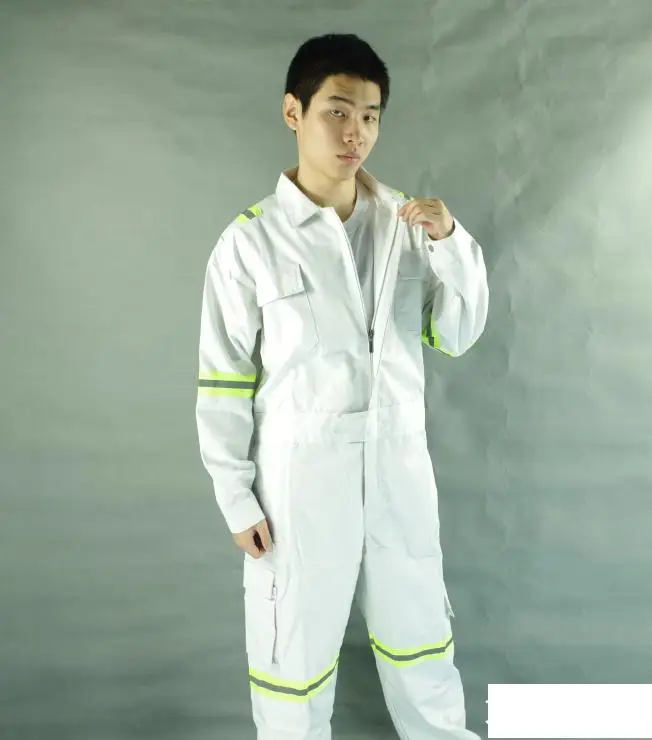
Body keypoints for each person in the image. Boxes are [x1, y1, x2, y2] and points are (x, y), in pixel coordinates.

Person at [195, 32, 489, 740]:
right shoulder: (251, 243)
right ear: (293, 112)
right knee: (292, 664)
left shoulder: (407, 225)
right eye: (337, 111)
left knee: (423, 650)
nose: (356, 132)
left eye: (370, 115)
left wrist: (450, 241)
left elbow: (457, 333)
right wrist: (236, 496)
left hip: (398, 472)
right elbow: (223, 380)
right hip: (299, 482)